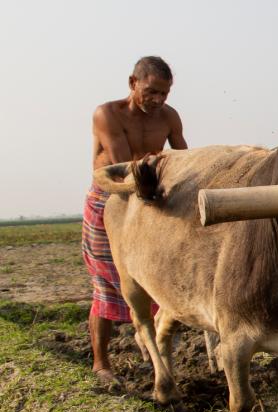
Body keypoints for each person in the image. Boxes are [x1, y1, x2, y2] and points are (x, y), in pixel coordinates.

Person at [83, 56, 187, 387]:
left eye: (164, 94)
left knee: (157, 275)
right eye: (151, 92)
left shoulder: (169, 117)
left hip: (150, 200)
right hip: (111, 200)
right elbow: (123, 166)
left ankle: (152, 343)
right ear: (133, 83)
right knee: (108, 284)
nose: (158, 101)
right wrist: (162, 168)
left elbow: (183, 157)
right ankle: (102, 364)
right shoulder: (107, 114)